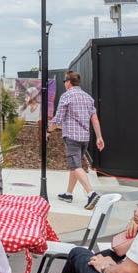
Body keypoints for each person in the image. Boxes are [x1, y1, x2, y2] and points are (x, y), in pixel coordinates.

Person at [48, 71, 105, 210]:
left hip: (72, 137)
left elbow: (58, 118)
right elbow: (95, 119)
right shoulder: (88, 97)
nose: (64, 84)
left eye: (64, 81)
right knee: (75, 165)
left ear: (68, 82)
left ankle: (91, 194)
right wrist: (99, 137)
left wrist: (48, 130)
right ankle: (68, 194)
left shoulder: (66, 96)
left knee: (76, 166)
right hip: (85, 138)